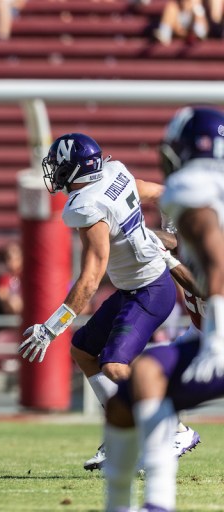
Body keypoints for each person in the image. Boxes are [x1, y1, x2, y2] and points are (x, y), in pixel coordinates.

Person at [16, 133, 198, 472]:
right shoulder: (115, 172)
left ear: (74, 169)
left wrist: (51, 327)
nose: (54, 172)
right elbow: (159, 192)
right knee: (84, 351)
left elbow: (91, 276)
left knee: (114, 365)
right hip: (136, 287)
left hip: (148, 290)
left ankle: (176, 429)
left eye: (59, 166)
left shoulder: (87, 205)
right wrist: (170, 226)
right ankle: (120, 436)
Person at [103, 105, 224, 512]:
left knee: (145, 380)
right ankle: (149, 505)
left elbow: (214, 259)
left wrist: (219, 337)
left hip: (221, 331)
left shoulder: (191, 187)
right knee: (137, 385)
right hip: (210, 330)